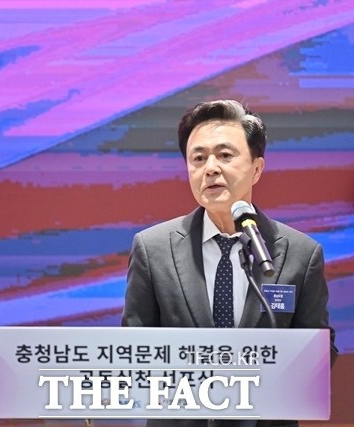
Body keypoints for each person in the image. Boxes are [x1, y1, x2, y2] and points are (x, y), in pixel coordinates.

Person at [122, 100, 337, 427]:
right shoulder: (153, 249)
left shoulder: (300, 253)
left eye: (224, 155)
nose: (210, 168)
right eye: (198, 158)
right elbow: (134, 351)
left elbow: (319, 351)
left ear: (256, 169)